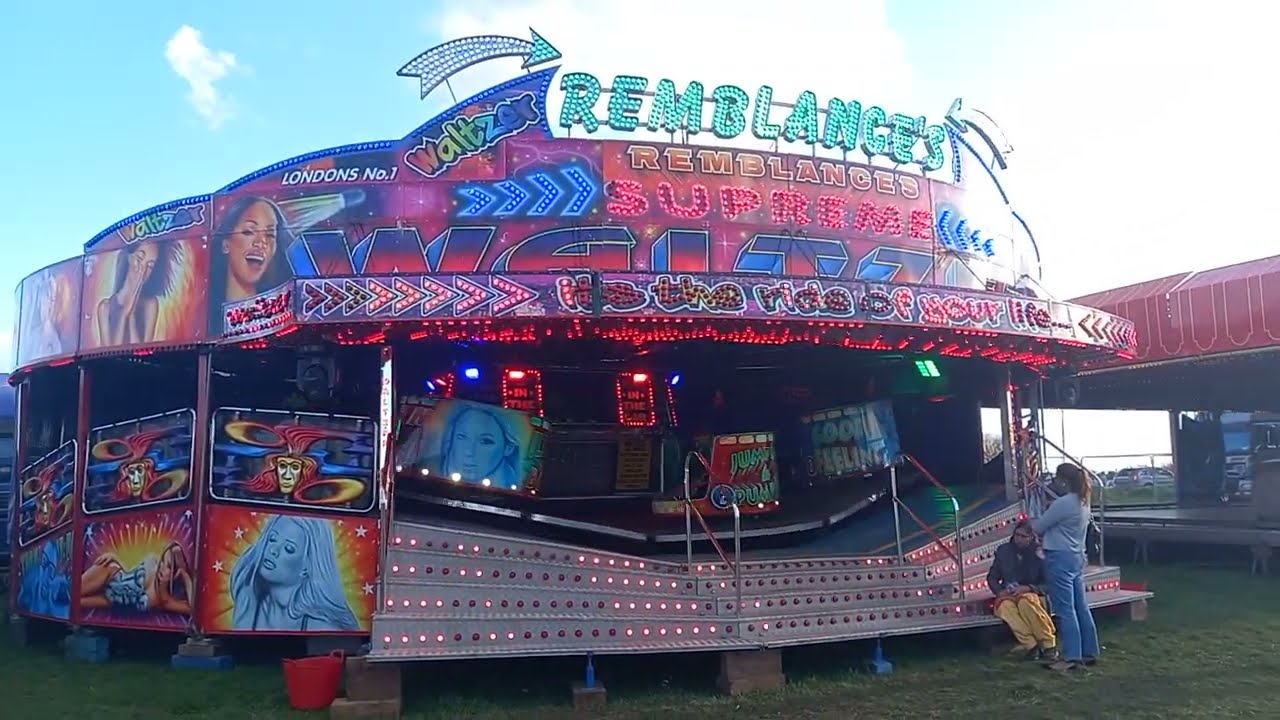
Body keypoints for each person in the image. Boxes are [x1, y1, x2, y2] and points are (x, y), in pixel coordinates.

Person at [1032, 462, 1100, 671]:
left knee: (1065, 609)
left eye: (1056, 479)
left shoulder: (1063, 503)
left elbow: (1039, 526)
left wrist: (1035, 514)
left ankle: (1071, 656)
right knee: (1080, 606)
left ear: (1064, 481)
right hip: (1076, 555)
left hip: (1059, 556)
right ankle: (1089, 650)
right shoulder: (1082, 501)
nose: (1053, 483)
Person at [986, 520, 1056, 659]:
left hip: (1032, 594)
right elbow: (992, 578)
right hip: (1008, 594)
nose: (1019, 539)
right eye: (1017, 535)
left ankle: (1048, 645)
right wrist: (1000, 591)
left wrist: (1029, 588)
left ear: (1031, 537)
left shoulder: (1039, 554)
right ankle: (1031, 646)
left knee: (1026, 602)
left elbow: (1049, 583)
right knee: (1005, 607)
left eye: (1023, 536)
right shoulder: (1003, 550)